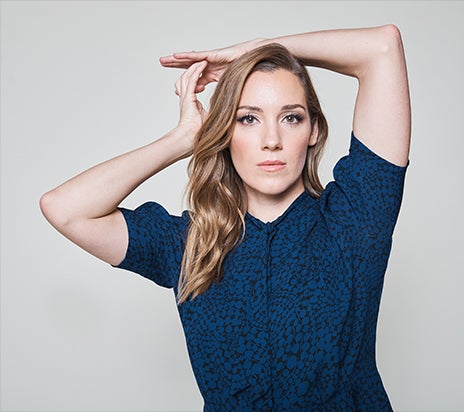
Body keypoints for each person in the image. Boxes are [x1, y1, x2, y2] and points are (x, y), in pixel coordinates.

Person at [40, 25, 411, 411]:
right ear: (224, 132)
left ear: (314, 130)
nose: (271, 140)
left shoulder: (354, 219)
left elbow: (381, 47)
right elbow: (65, 209)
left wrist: (255, 50)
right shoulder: (189, 243)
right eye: (248, 119)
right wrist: (183, 139)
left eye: (291, 118)